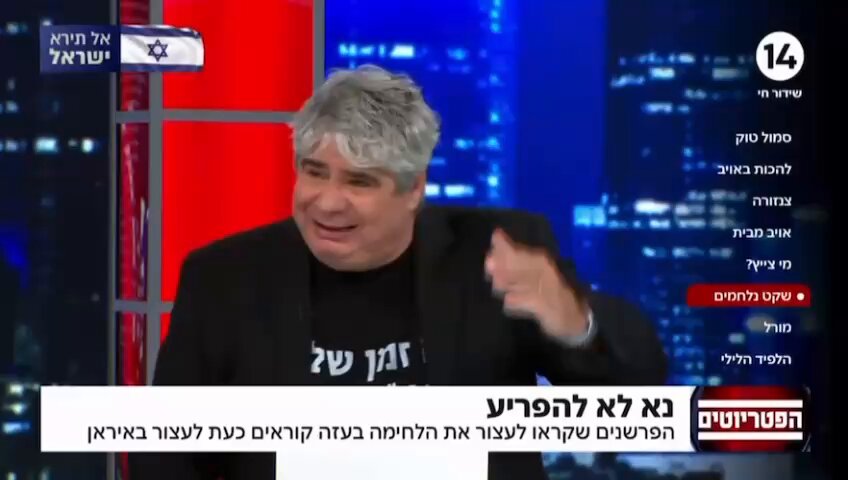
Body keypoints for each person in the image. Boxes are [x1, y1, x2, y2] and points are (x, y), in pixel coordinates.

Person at [130, 64, 667, 480]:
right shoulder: (225, 278)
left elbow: (638, 394)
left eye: (360, 182)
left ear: (414, 190)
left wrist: (576, 324)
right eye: (314, 173)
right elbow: (165, 452)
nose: (327, 202)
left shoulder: (495, 255)